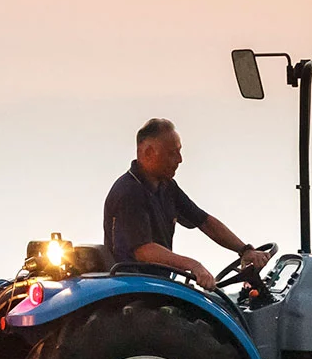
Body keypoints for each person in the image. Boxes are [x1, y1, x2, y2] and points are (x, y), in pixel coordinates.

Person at [103, 118, 265, 290]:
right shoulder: (129, 192)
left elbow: (204, 221)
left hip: (155, 284)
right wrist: (194, 265)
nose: (180, 159)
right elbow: (144, 251)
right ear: (148, 152)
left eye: (179, 152)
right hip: (134, 289)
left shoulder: (167, 187)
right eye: (172, 153)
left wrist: (245, 250)